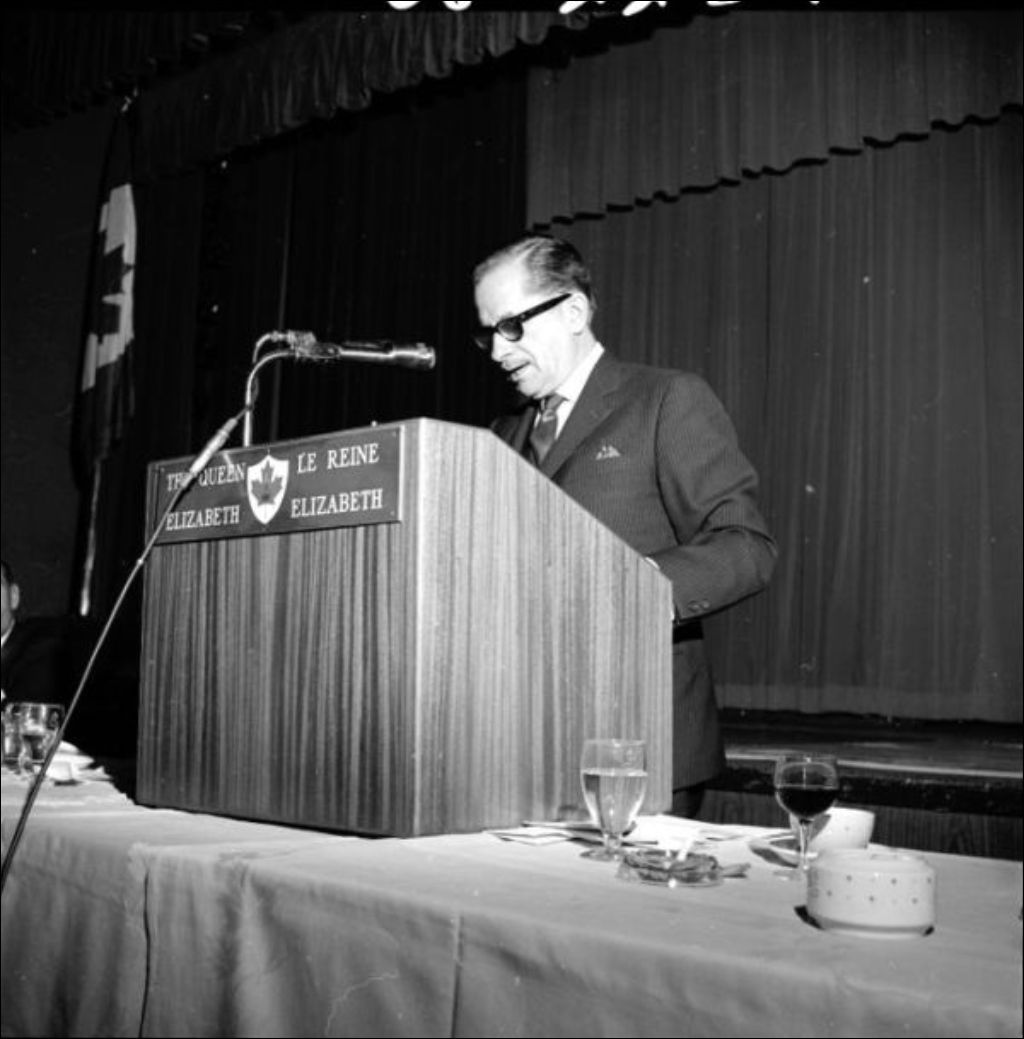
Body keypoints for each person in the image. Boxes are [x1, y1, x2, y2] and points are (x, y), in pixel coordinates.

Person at [473, 234, 777, 816]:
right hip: (524, 739)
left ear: (573, 312)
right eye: (487, 333)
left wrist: (629, 589)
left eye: (510, 327)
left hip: (642, 741)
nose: (496, 351)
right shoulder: (499, 434)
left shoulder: (665, 399)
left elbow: (746, 546)